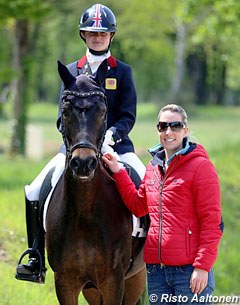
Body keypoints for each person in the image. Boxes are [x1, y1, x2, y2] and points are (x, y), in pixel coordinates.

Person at [15, 3, 145, 283]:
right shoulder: (71, 70)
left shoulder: (122, 72)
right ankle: (36, 256)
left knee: (145, 181)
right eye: (91, 32)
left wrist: (112, 136)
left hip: (117, 145)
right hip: (75, 147)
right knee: (35, 188)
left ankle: (152, 251)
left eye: (102, 33)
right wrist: (73, 140)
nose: (97, 37)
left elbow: (128, 114)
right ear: (83, 35)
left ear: (111, 36)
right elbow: (62, 118)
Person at [102, 104, 224, 305]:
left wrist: (202, 267)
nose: (169, 132)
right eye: (163, 126)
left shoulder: (201, 167)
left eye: (175, 126)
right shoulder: (152, 168)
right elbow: (137, 205)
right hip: (157, 272)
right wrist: (118, 171)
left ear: (185, 130)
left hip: (189, 273)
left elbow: (212, 223)